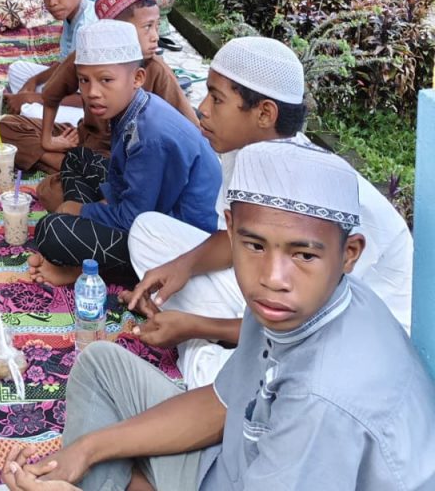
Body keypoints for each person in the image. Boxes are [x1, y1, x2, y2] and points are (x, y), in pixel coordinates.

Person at [1, 141, 435, 491]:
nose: (273, 277)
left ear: (349, 254)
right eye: (254, 245)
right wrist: (88, 450)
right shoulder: (295, 303)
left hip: (258, 468)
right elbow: (224, 404)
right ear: (230, 230)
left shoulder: (323, 399)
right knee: (100, 365)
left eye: (303, 254)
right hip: (232, 463)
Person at [122, 36, 414, 387]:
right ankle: (216, 340)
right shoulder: (245, 153)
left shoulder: (320, 197)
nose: (202, 108)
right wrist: (181, 266)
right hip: (282, 297)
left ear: (264, 113)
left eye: (217, 98)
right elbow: (234, 240)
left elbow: (312, 321)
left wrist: (195, 327)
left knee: (211, 375)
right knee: (147, 232)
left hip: (348, 337)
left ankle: (205, 345)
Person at [28, 20, 220, 286]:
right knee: (77, 157)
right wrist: (93, 208)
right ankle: (83, 254)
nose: (92, 93)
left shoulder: (151, 136)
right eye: (84, 80)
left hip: (179, 244)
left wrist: (81, 210)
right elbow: (124, 181)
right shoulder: (134, 109)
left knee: (51, 230)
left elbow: (134, 219)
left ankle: (86, 264)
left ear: (137, 78)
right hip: (147, 209)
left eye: (106, 80)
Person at [2, 0, 198, 184]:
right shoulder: (86, 55)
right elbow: (51, 94)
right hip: (85, 139)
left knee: (51, 191)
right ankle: (73, 167)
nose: (155, 37)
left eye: (156, 27)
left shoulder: (156, 69)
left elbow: (191, 131)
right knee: (7, 126)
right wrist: (48, 141)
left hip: (127, 157)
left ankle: (75, 170)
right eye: (147, 27)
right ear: (116, 28)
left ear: (137, 77)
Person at [3, 0, 95, 115]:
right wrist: (34, 80)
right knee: (17, 70)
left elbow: (87, 98)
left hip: (93, 110)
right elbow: (64, 64)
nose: (51, 2)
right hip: (72, 87)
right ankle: (27, 107)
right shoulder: (72, 15)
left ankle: (30, 113)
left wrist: (33, 98)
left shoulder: (87, 27)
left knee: (32, 111)